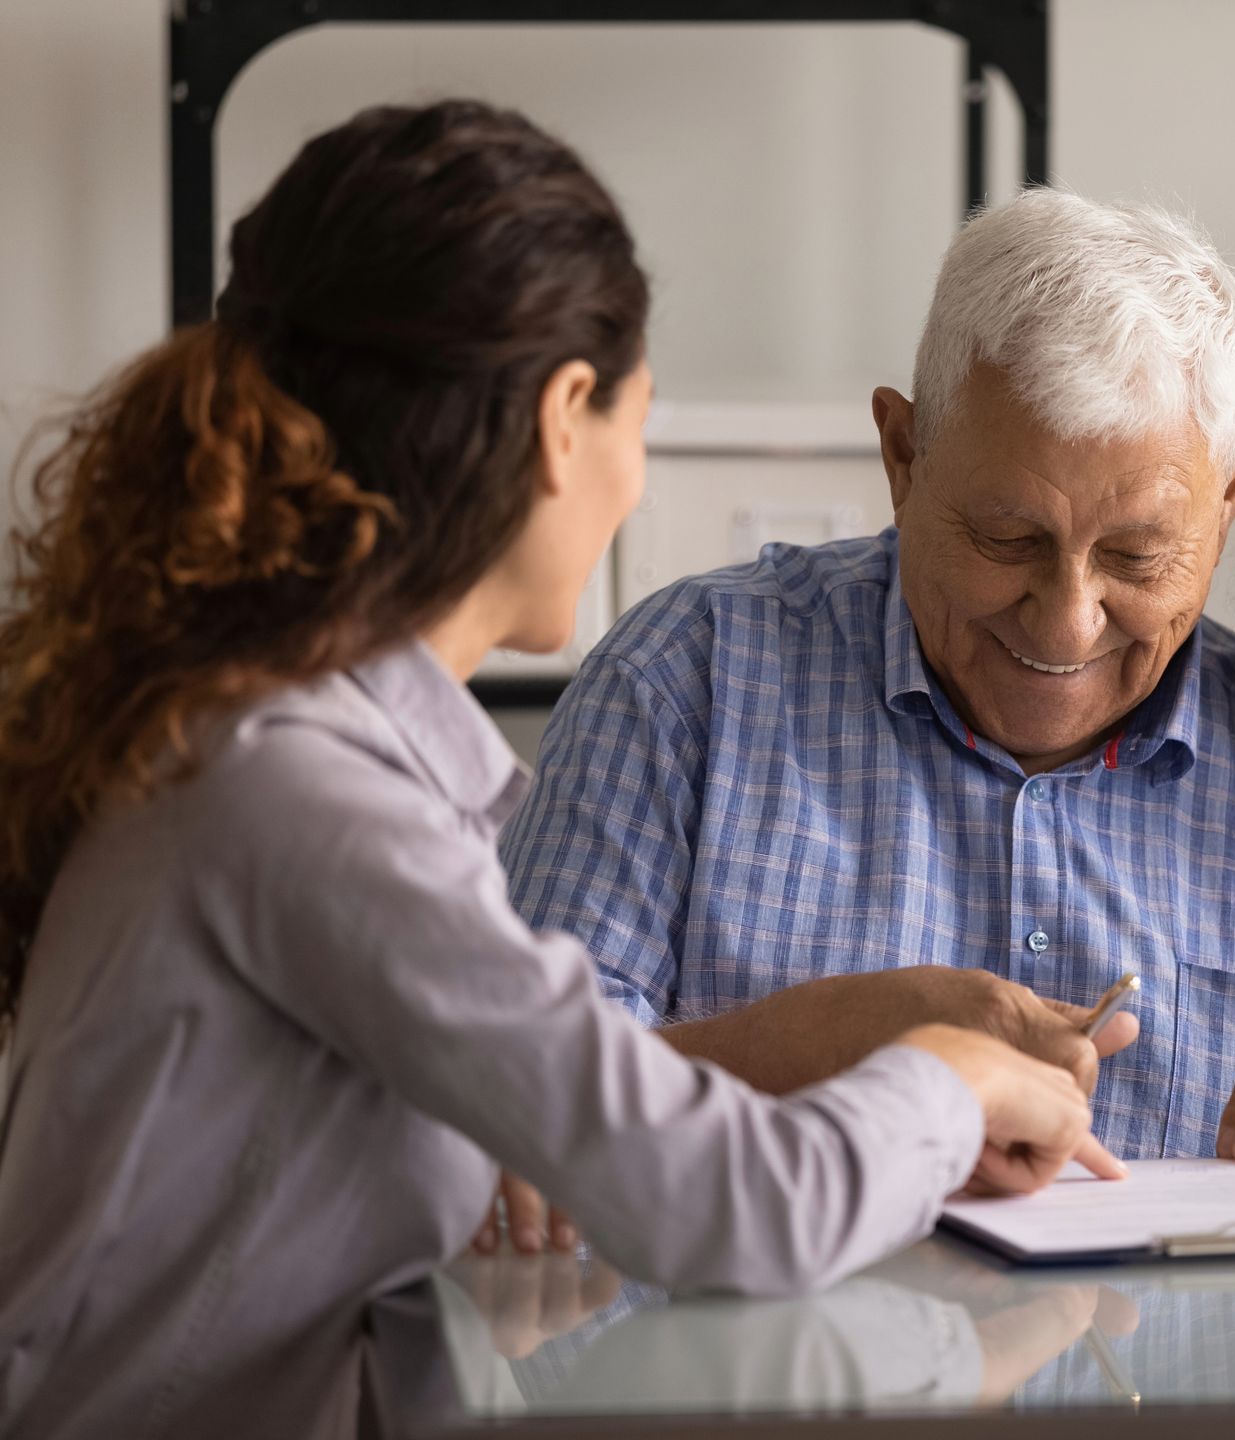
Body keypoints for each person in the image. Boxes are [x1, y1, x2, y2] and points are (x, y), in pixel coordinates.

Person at [0, 101, 1121, 1440]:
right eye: (640, 424)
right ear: (562, 419)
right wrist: (947, 1074)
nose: (636, 487)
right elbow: (728, 1205)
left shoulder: (281, 740)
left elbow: (558, 1097)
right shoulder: (305, 790)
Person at [502, 189, 1235, 1176]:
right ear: (902, 454)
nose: (1066, 620)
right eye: (1006, 538)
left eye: (1138, 556)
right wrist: (809, 1046)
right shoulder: (686, 685)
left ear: (1232, 495)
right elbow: (499, 1120)